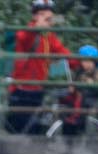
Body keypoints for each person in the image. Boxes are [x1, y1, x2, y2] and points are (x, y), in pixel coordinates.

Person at [6, 0, 72, 134]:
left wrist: (89, 60)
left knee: (32, 131)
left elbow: (63, 53)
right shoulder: (26, 33)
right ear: (35, 16)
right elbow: (25, 38)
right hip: (22, 90)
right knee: (20, 130)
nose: (48, 21)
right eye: (43, 16)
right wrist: (37, 28)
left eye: (49, 18)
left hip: (37, 89)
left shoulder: (48, 37)